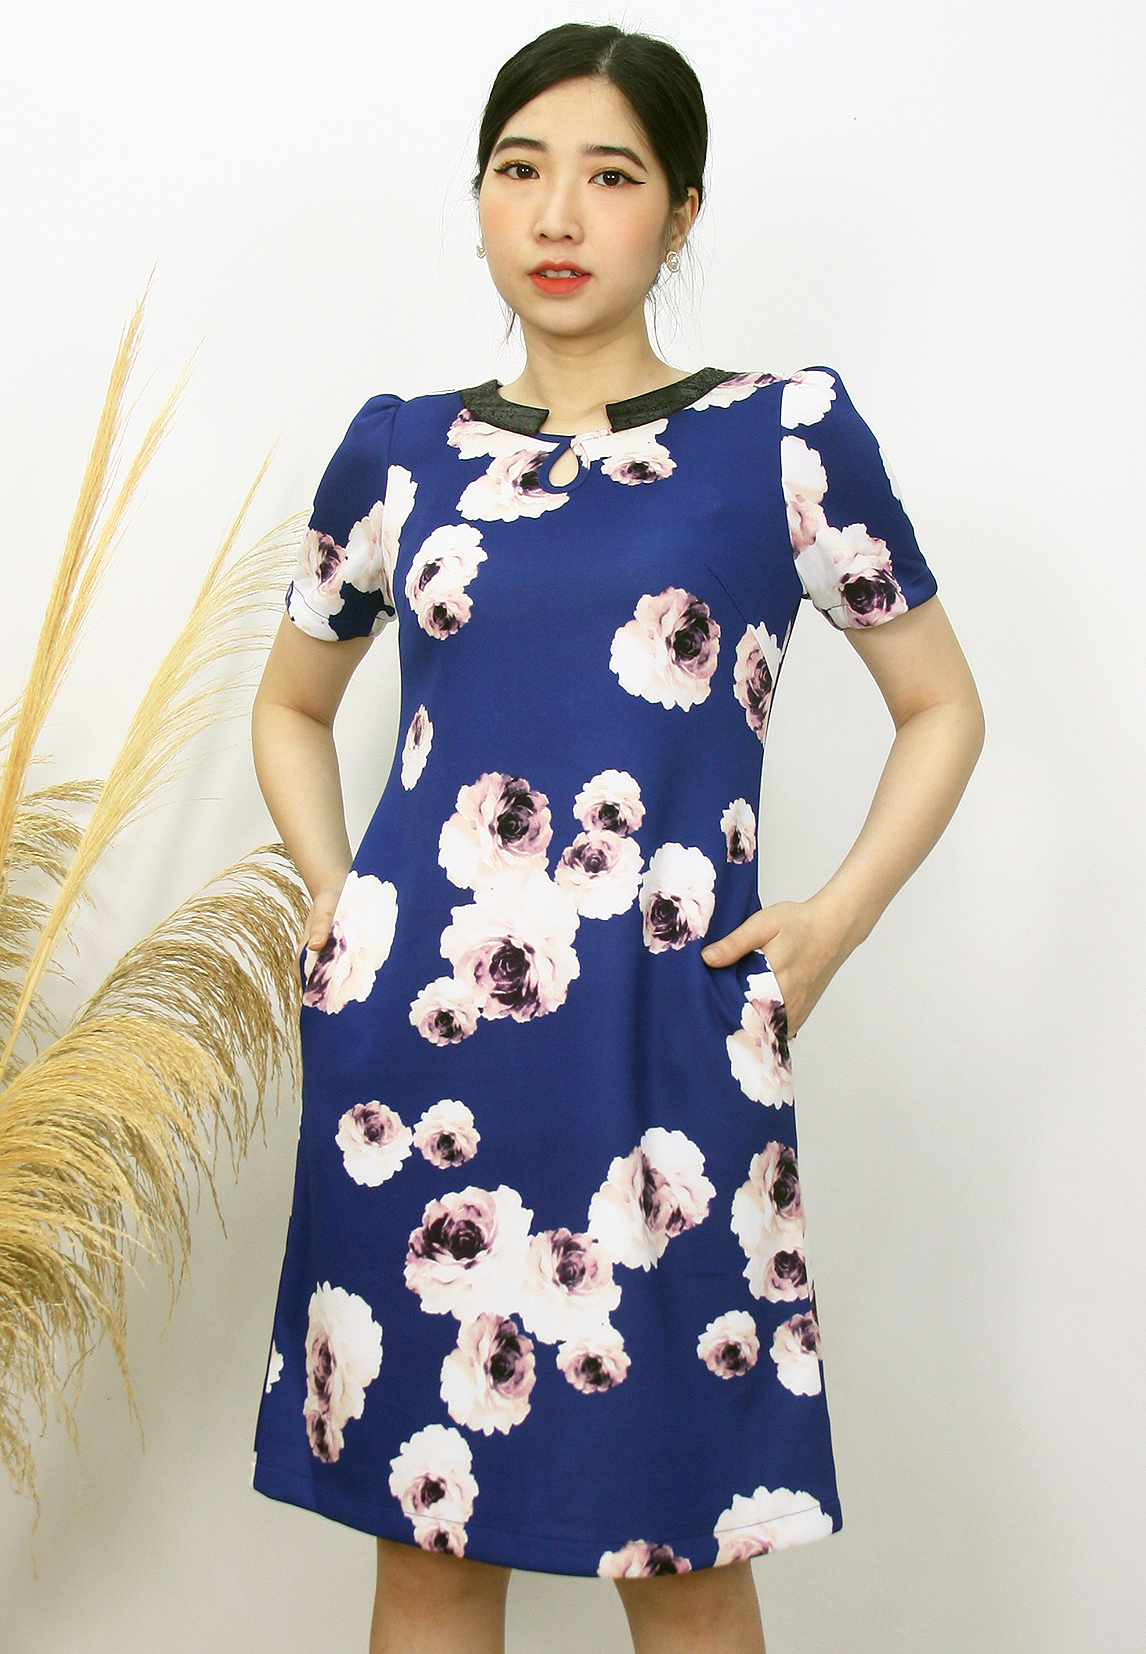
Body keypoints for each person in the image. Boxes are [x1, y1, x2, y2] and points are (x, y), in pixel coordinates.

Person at [248, 21, 984, 1654]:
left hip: (668, 1049)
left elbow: (942, 703)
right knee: (429, 1551)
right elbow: (290, 703)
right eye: (520, 171)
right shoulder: (398, 448)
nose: (559, 215)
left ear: (682, 210)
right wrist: (339, 896)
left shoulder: (779, 435)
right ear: (479, 200)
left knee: (686, 1542)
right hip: (419, 1053)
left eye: (611, 175)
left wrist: (832, 918)